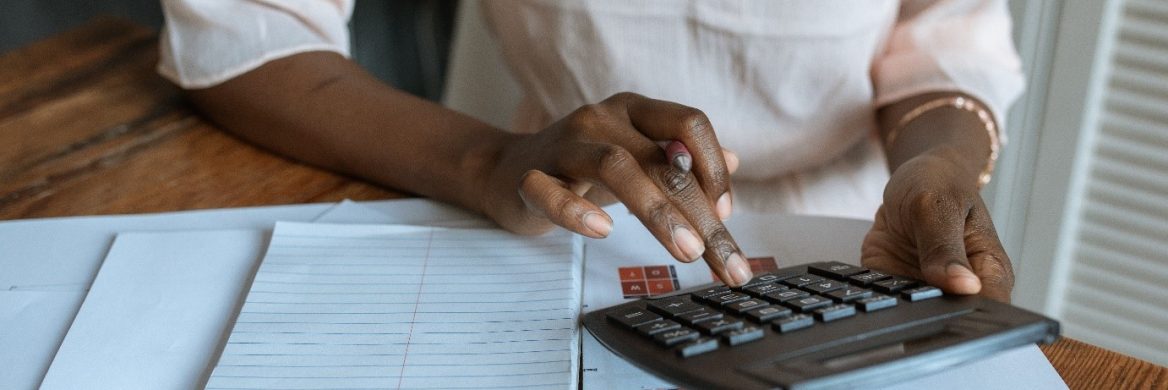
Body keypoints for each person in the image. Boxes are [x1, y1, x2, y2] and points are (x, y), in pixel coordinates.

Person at [158, 0, 1021, 301]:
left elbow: (947, 34)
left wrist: (939, 164)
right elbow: (242, 31)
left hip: (863, 238)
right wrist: (484, 162)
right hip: (555, 208)